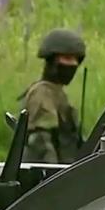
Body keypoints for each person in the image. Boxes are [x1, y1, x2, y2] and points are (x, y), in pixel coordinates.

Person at [19, 28, 86, 163]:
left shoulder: (58, 93)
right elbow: (41, 142)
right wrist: (54, 175)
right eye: (67, 58)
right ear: (52, 61)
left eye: (75, 60)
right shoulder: (41, 93)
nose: (72, 64)